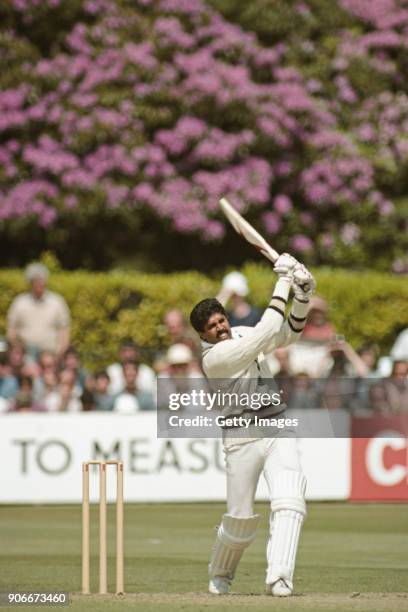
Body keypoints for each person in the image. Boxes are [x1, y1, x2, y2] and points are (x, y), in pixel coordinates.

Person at [189, 254, 315, 597]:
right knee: (240, 521)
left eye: (221, 320)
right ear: (203, 335)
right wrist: (285, 281)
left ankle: (280, 577)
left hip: (276, 427)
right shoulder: (214, 360)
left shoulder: (244, 331)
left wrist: (303, 296)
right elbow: (266, 332)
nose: (221, 328)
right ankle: (220, 573)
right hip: (240, 437)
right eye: (212, 327)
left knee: (290, 498)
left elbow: (287, 333)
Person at [7, 263, 71, 360]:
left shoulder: (57, 302)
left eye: (42, 280)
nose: (40, 283)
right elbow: (12, 331)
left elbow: (64, 330)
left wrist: (61, 354)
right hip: (26, 357)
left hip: (52, 356)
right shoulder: (20, 302)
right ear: (30, 283)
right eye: (37, 280)